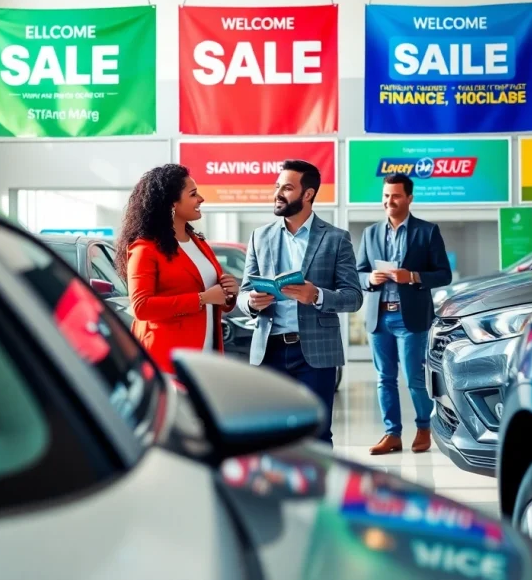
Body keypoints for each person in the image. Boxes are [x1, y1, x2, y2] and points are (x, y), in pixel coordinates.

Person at [237, 159, 363, 448]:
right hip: (269, 351)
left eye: (287, 188)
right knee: (270, 432)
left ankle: (320, 492)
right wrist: (252, 302)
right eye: (277, 186)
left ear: (308, 194)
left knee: (317, 434)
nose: (278, 193)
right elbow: (244, 294)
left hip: (316, 355)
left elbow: (354, 297)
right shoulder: (260, 236)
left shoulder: (336, 239)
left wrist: (316, 295)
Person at [356, 172, 452, 455]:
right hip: (379, 316)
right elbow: (359, 272)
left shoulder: (427, 231)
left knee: (414, 378)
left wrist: (410, 275)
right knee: (384, 378)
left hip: (410, 319)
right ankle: (392, 434)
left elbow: (443, 274)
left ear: (409, 198)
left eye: (396, 196)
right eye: (386, 196)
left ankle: (424, 427)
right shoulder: (370, 233)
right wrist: (369, 280)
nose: (389, 201)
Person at [115, 163, 239, 375]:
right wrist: (201, 298)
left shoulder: (198, 242)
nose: (201, 199)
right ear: (172, 203)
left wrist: (229, 293)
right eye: (193, 194)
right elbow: (141, 307)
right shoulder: (145, 248)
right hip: (166, 358)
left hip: (206, 354)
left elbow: (214, 296)